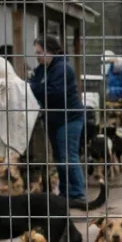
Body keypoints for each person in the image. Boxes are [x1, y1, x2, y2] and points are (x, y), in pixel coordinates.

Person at [29, 35, 88, 207]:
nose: (37, 56)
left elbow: (53, 92)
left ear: (50, 51)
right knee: (60, 158)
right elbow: (35, 85)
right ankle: (65, 194)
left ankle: (77, 195)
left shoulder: (62, 68)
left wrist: (33, 88)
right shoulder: (43, 69)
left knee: (68, 156)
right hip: (54, 120)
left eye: (39, 52)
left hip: (69, 118)